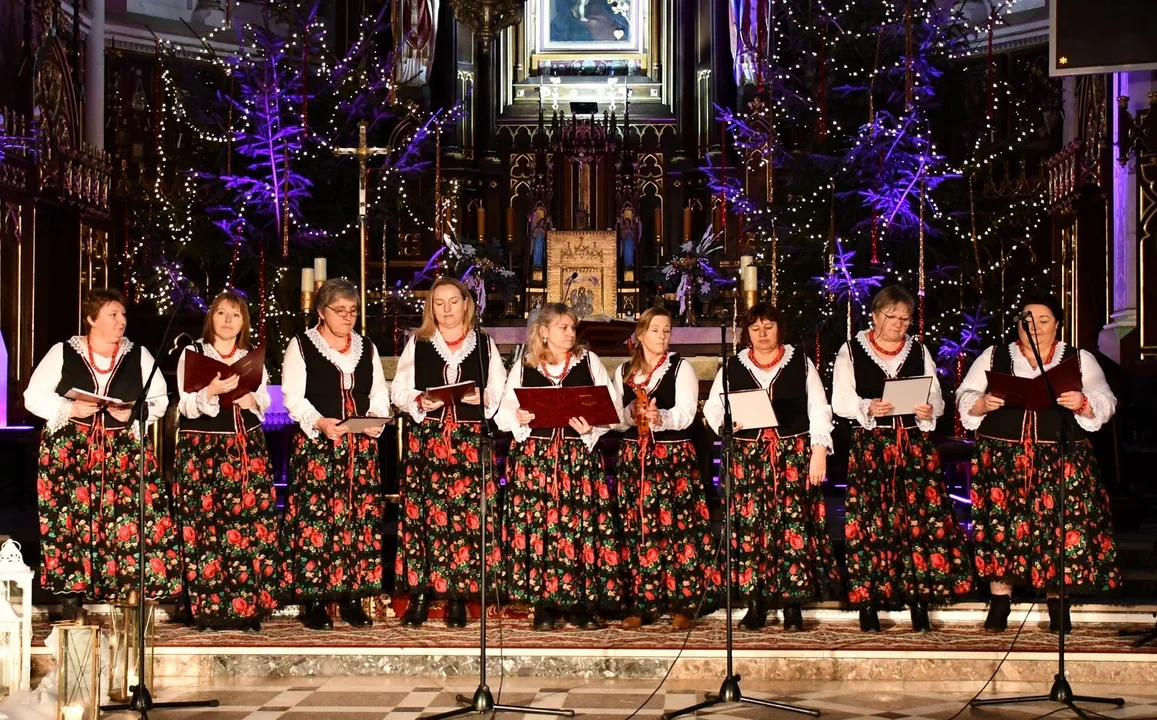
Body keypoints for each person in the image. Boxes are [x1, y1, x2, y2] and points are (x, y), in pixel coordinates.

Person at [956, 293, 1120, 633]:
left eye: (1044, 320)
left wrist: (1082, 401)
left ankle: (1058, 604)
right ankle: (1000, 601)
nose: (1036, 326)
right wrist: (982, 403)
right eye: (1028, 320)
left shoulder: (1078, 359)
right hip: (1003, 459)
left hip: (1060, 458)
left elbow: (1106, 400)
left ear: (1057, 324)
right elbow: (964, 394)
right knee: (1001, 527)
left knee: (1059, 528)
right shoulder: (995, 355)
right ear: (1018, 324)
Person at [23, 288, 179, 616]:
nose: (121, 321)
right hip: (71, 453)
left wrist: (134, 412)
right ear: (92, 319)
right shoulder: (63, 352)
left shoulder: (139, 355)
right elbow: (33, 396)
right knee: (70, 523)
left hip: (121, 449)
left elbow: (159, 401)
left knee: (127, 521)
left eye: (123, 314)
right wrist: (69, 406)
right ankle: (71, 600)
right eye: (112, 314)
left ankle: (127, 595)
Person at [832, 285, 972, 632]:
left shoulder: (918, 350)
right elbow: (840, 399)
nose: (898, 325)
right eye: (892, 317)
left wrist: (928, 410)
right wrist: (867, 406)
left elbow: (936, 398)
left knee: (917, 522)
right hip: (873, 446)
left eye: (905, 319)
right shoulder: (851, 350)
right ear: (876, 316)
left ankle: (918, 600)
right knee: (870, 524)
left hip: (912, 446)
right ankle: (868, 602)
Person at [703, 303, 838, 632]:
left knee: (792, 526)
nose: (762, 334)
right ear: (746, 332)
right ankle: (755, 600)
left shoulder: (801, 364)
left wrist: (819, 451)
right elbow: (712, 408)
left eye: (768, 327)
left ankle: (793, 604)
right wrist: (727, 422)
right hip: (748, 459)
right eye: (755, 328)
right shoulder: (733, 366)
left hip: (791, 455)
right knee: (751, 530)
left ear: (780, 329)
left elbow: (819, 409)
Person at [496, 302, 623, 631]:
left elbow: (610, 410)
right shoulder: (526, 365)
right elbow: (504, 412)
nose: (570, 334)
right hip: (536, 461)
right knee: (540, 530)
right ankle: (543, 604)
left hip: (576, 458)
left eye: (572, 328)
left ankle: (580, 603)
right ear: (544, 333)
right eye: (563, 328)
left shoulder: (588, 361)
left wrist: (591, 427)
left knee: (577, 528)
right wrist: (518, 417)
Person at [391, 277, 508, 628]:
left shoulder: (484, 344)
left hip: (470, 441)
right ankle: (422, 593)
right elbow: (399, 388)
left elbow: (500, 390)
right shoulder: (420, 342)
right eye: (439, 303)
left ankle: (458, 595)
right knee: (425, 515)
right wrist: (419, 400)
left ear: (465, 304)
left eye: (452, 302)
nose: (446, 309)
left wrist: (483, 397)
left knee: (465, 517)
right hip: (428, 439)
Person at [281, 278, 391, 630]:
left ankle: (351, 597)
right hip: (319, 447)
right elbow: (293, 397)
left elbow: (377, 394)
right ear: (321, 312)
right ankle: (313, 599)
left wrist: (376, 420)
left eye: (353, 311)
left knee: (357, 522)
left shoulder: (366, 347)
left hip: (359, 451)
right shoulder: (301, 345)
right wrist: (320, 422)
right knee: (317, 520)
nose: (347, 317)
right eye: (339, 311)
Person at [174, 291, 278, 631]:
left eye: (235, 314)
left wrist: (252, 399)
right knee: (207, 529)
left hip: (246, 450)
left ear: (243, 322)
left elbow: (264, 399)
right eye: (221, 313)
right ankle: (208, 609)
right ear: (211, 319)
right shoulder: (193, 354)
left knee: (247, 527)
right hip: (203, 452)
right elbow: (185, 406)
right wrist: (211, 393)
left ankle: (247, 608)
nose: (228, 320)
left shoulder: (252, 357)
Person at [612, 307, 715, 630]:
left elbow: (686, 413)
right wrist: (630, 412)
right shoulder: (624, 372)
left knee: (676, 528)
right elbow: (613, 419)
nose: (662, 336)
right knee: (638, 527)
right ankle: (642, 601)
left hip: (671, 458)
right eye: (656, 330)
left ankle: (683, 601)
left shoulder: (680, 368)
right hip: (635, 458)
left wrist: (661, 418)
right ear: (641, 334)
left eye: (667, 330)